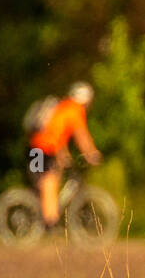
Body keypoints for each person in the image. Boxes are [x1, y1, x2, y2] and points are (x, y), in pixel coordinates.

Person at [29, 82, 102, 228]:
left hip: (40, 146)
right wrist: (91, 154)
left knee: (51, 178)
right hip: (42, 147)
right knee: (48, 181)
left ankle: (47, 215)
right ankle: (50, 221)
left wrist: (63, 154)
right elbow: (82, 136)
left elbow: (57, 134)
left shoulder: (63, 107)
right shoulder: (74, 111)